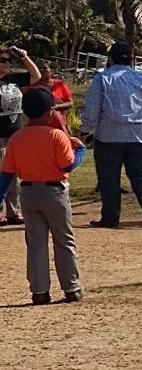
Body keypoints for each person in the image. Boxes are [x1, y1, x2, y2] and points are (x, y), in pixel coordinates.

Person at [0, 88, 86, 304]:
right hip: (54, 192)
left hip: (28, 193)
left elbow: (6, 174)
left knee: (36, 243)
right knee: (64, 240)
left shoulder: (16, 138)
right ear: (50, 112)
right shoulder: (56, 135)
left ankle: (39, 291)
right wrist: (80, 151)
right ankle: (71, 288)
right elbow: (67, 165)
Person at [80, 41, 142, 229]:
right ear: (132, 60)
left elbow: (93, 107)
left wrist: (86, 130)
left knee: (109, 177)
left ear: (110, 59)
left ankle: (110, 217)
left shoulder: (103, 78)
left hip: (109, 135)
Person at [0, 47, 29, 224]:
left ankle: (13, 211)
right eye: (3, 60)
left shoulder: (14, 79)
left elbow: (36, 76)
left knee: (14, 174)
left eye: (9, 60)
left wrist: (23, 57)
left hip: (16, 134)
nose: (7, 63)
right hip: (0, 135)